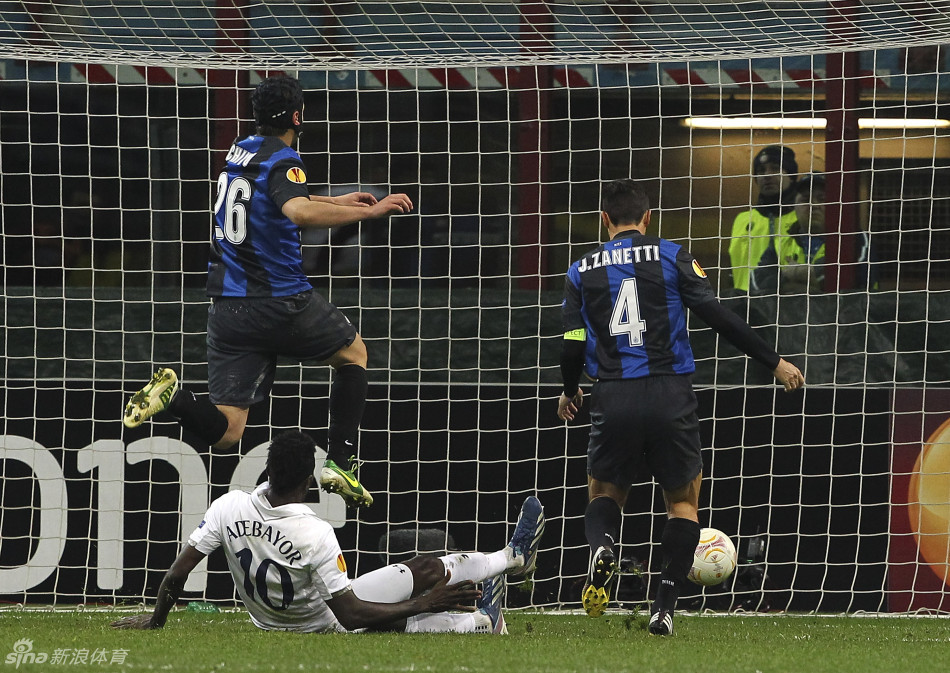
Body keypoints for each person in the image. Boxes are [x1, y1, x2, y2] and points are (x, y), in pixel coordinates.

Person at [122, 75, 414, 507]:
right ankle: (341, 462)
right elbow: (295, 209)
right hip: (278, 300)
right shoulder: (285, 157)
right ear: (297, 116)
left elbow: (275, 197)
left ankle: (176, 399)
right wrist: (368, 215)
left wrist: (339, 201)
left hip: (227, 309)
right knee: (355, 354)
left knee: (228, 431)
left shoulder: (239, 151)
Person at [557, 179, 804, 635]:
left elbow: (572, 343)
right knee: (683, 503)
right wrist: (774, 361)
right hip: (670, 395)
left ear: (604, 219)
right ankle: (664, 609)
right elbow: (718, 316)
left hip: (613, 395)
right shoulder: (673, 256)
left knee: (604, 494)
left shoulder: (580, 271)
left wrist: (570, 390)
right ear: (648, 218)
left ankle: (604, 545)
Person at [111, 430, 545, 635]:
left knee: (424, 565)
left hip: (273, 621)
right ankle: (485, 621)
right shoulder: (314, 532)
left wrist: (157, 620)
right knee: (419, 610)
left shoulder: (228, 506)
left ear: (268, 470)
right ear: (308, 482)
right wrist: (421, 602)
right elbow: (350, 615)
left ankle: (511, 558)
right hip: (324, 623)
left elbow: (176, 575)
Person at [728, 145, 800, 294]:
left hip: (790, 308)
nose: (767, 175)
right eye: (761, 171)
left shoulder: (802, 219)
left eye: (775, 169)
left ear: (791, 176)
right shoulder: (742, 220)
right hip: (745, 309)